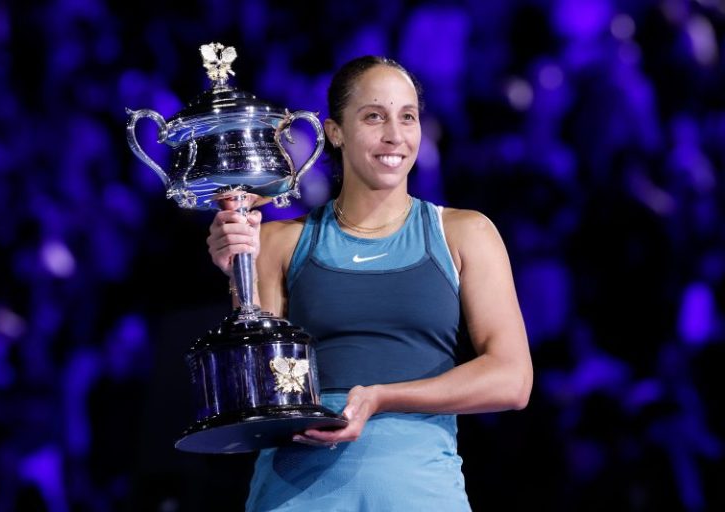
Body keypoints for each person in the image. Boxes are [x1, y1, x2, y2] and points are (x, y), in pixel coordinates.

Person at [207, 55, 533, 511]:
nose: (394, 136)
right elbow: (259, 388)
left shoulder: (465, 233)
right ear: (334, 131)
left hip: (420, 496)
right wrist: (237, 271)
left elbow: (512, 380)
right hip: (295, 496)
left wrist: (382, 398)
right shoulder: (280, 241)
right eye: (374, 116)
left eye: (408, 117)